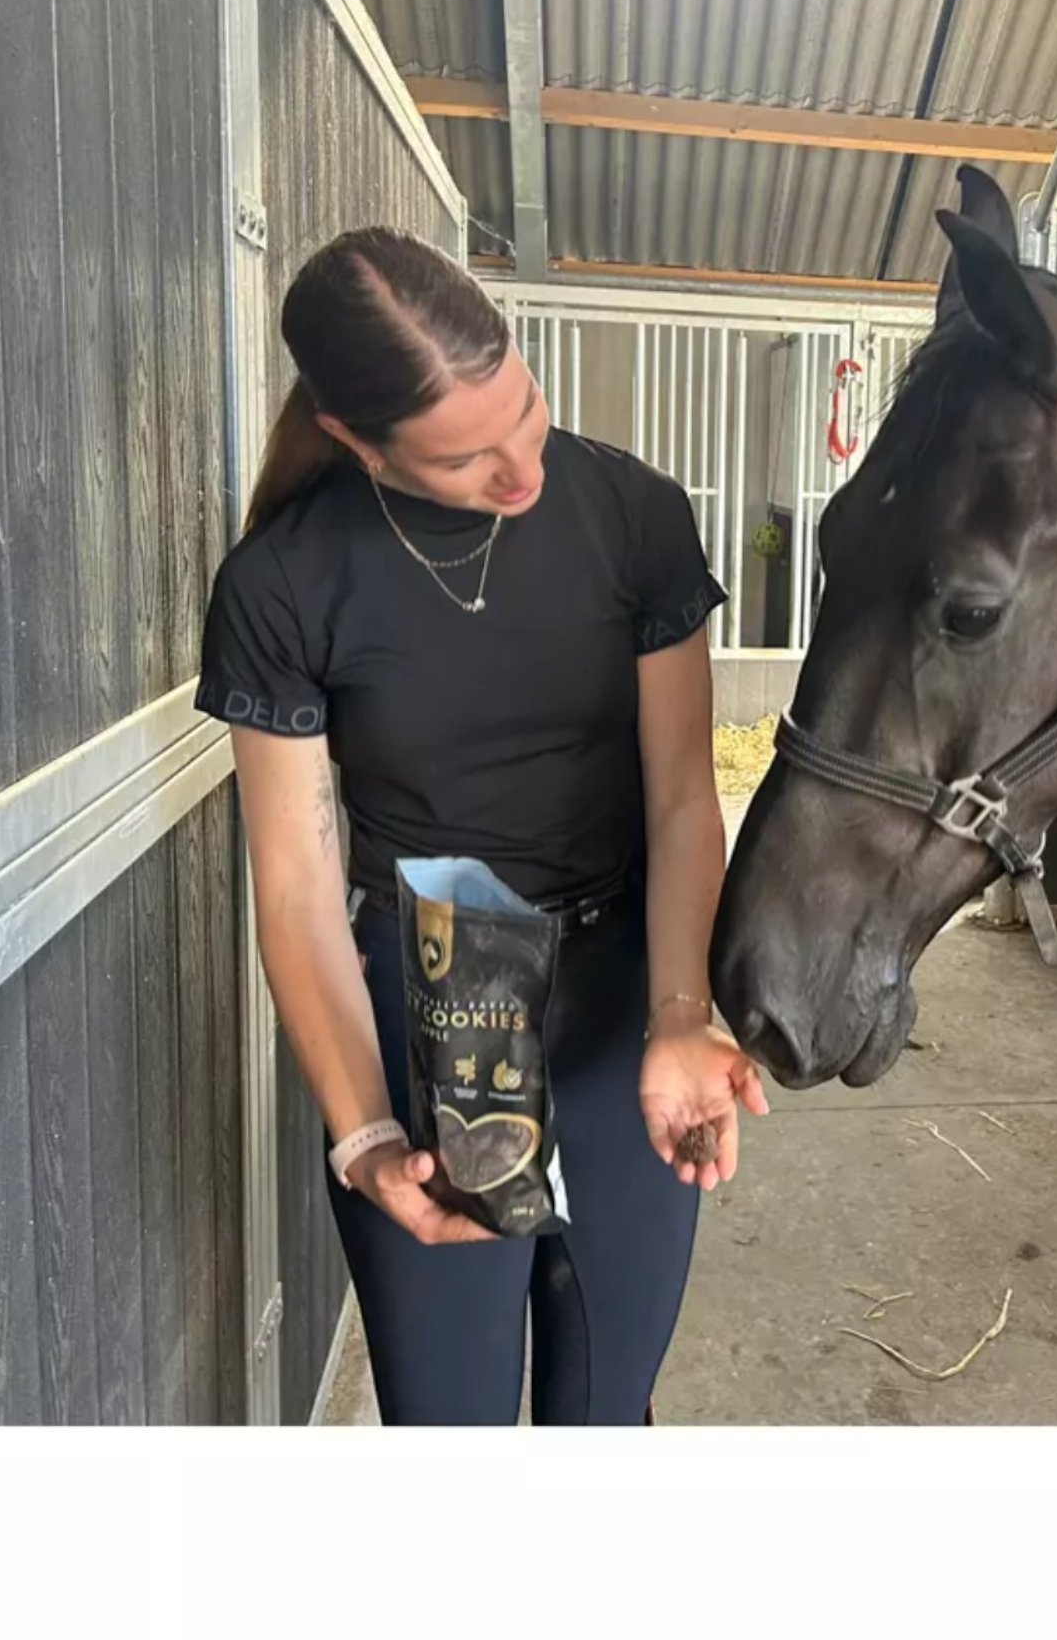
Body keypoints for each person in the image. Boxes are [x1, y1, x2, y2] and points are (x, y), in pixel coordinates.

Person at [195, 226, 766, 1425]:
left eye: (527, 413)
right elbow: (299, 888)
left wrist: (680, 1011)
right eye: (465, 460)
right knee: (446, 1417)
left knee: (607, 1405)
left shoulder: (634, 515)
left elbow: (677, 796)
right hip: (427, 1010)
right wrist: (362, 1135)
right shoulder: (282, 585)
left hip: (620, 998)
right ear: (358, 442)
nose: (521, 473)